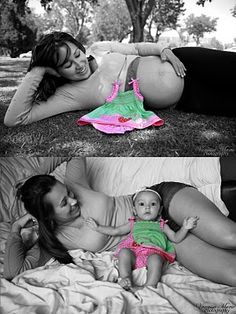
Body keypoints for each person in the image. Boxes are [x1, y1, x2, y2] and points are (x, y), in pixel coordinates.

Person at [3, 158, 236, 287]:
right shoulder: (55, 241)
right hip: (160, 239)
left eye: (68, 193)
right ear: (47, 216)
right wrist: (15, 229)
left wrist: (31, 180)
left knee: (229, 237)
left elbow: (74, 151)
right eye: (64, 202)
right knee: (231, 274)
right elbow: (14, 271)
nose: (74, 200)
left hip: (157, 200)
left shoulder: (75, 183)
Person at [4, 32, 236, 127]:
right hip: (188, 97)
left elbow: (136, 47)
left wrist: (163, 50)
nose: (79, 64)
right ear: (55, 72)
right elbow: (15, 119)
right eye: (67, 65)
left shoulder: (100, 48)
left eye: (77, 54)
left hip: (186, 60)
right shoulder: (71, 95)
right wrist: (37, 70)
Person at [85, 189, 199, 288]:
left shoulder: (162, 225)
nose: (147, 207)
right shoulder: (133, 223)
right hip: (134, 252)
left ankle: (150, 285)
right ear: (134, 210)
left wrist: (185, 228)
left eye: (153, 204)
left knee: (156, 259)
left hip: (154, 252)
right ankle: (125, 278)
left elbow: (175, 238)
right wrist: (98, 227)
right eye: (142, 204)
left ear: (160, 210)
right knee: (124, 252)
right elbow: (116, 231)